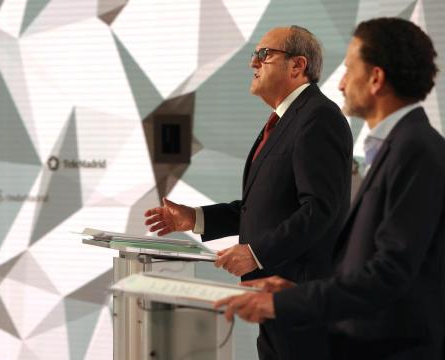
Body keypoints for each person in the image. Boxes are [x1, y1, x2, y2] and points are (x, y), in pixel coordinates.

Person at [214, 17, 444, 360]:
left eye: (350, 70)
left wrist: (289, 300)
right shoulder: (403, 145)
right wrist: (294, 289)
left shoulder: (416, 149)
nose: (341, 84)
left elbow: (388, 272)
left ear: (376, 79)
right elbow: (371, 260)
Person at [144, 26, 353, 360]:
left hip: (298, 295)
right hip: (272, 294)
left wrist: (256, 253)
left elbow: (320, 209)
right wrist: (195, 218)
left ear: (297, 66)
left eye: (264, 54)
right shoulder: (284, 120)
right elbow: (265, 205)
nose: (252, 63)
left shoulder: (318, 117)